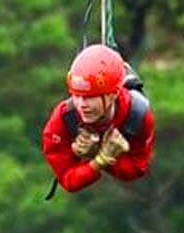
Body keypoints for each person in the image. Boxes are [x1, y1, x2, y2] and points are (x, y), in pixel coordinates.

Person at [42, 43, 155, 193]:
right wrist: (99, 160)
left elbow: (137, 169)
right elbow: (68, 180)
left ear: (113, 94)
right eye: (76, 95)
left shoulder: (138, 115)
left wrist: (102, 155)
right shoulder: (64, 118)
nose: (81, 105)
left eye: (90, 98)